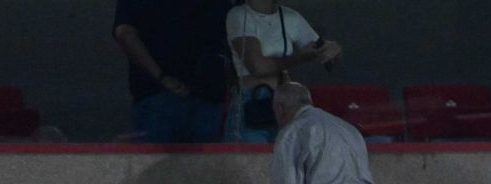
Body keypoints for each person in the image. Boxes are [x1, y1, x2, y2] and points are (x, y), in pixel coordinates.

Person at [224, 0, 338, 142]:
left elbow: (320, 48)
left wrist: (331, 49)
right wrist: (300, 57)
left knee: (284, 156)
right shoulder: (239, 15)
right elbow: (258, 67)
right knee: (251, 159)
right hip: (252, 101)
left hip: (284, 104)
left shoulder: (290, 17)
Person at [113, 0, 227, 143]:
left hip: (164, 95)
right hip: (205, 95)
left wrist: (161, 77)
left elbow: (125, 34)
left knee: (156, 162)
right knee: (208, 163)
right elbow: (124, 34)